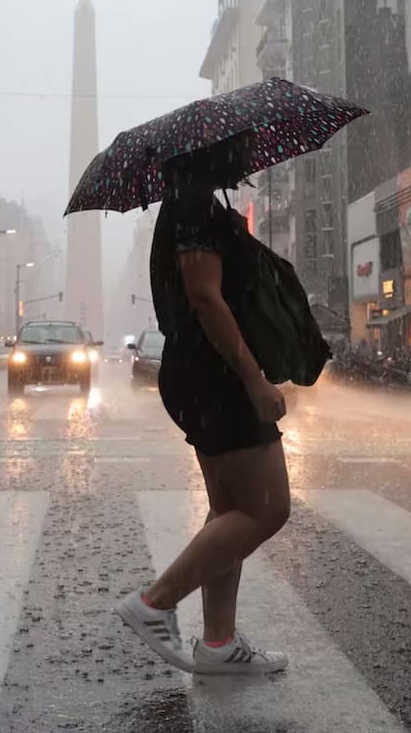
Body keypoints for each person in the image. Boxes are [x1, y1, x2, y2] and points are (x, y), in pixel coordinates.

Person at [116, 135, 291, 675]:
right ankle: (155, 602)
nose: (249, 155)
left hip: (199, 371)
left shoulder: (190, 204)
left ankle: (218, 643)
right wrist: (254, 379)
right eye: (239, 147)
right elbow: (205, 297)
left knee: (229, 509)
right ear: (210, 155)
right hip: (216, 375)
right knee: (267, 508)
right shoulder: (194, 208)